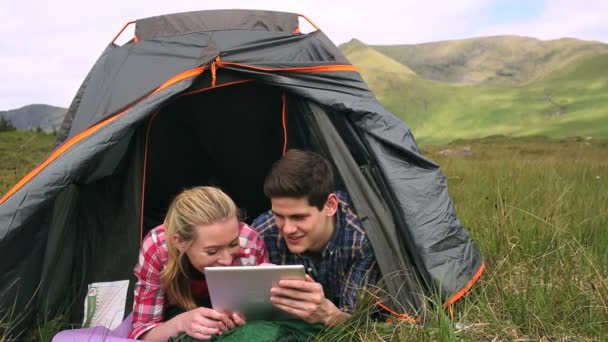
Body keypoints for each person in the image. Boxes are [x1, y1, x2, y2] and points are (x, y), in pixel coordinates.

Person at [252, 149, 380, 327]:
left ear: (330, 205)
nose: (287, 229)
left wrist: (328, 314)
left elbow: (359, 325)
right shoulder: (264, 232)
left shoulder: (361, 240)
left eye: (299, 217)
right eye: (279, 215)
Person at [129, 186, 269, 341]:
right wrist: (181, 323)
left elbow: (266, 319)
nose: (227, 260)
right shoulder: (157, 248)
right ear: (180, 242)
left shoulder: (250, 242)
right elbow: (143, 334)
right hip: (177, 313)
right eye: (212, 251)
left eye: (233, 244)